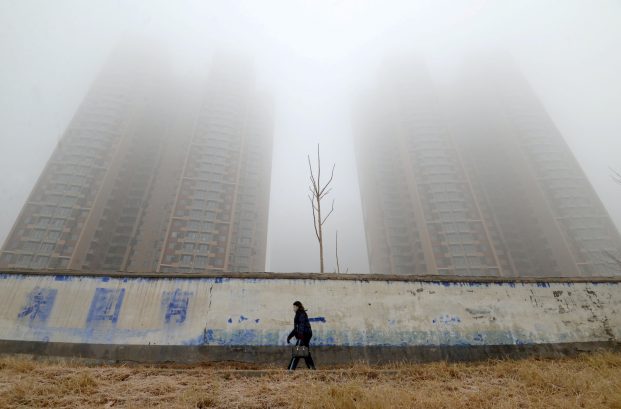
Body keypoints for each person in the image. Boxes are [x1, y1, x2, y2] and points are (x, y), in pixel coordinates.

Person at [286, 300, 316, 370]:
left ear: (297, 307)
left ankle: (290, 370)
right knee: (305, 353)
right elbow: (296, 328)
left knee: (296, 353)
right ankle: (312, 369)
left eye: (294, 307)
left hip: (304, 335)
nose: (293, 309)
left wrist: (301, 336)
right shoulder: (299, 313)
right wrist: (289, 336)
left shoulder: (301, 313)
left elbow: (301, 326)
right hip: (305, 335)